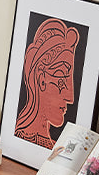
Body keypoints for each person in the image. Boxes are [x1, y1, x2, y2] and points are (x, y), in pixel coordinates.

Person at [15, 18, 80, 149]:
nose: (70, 98)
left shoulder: (56, 148)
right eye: (61, 76)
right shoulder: (18, 140)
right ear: (41, 78)